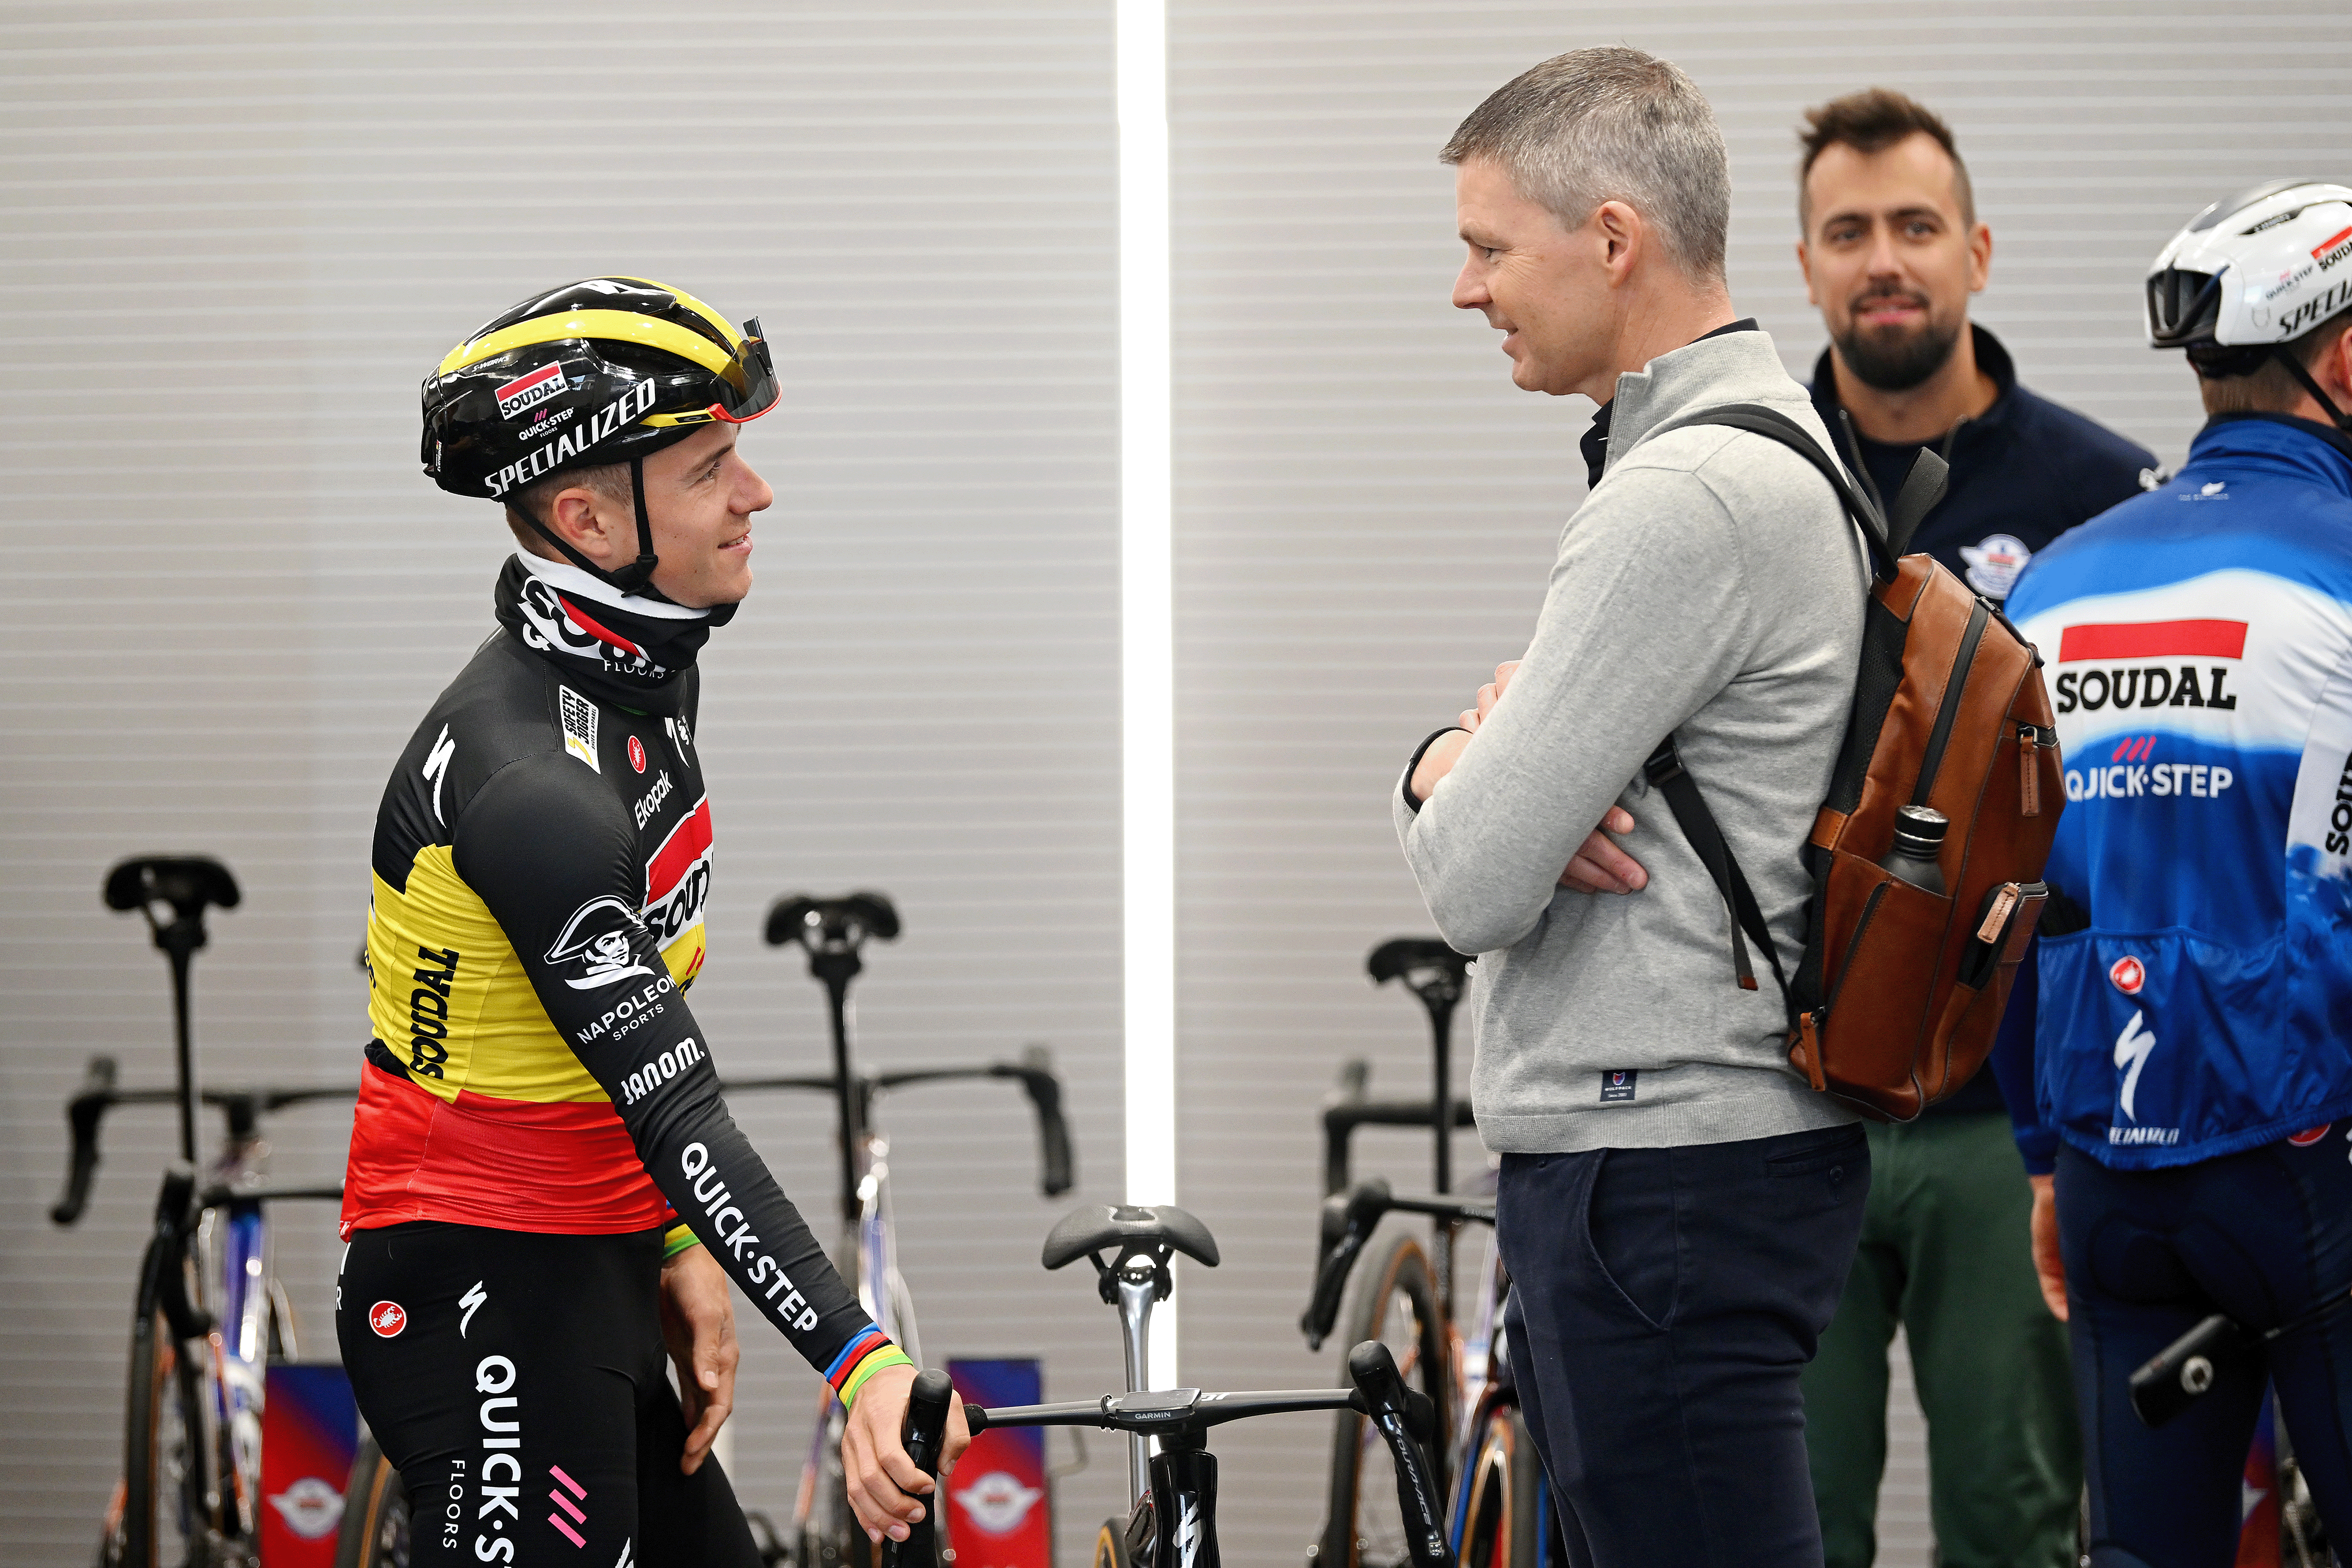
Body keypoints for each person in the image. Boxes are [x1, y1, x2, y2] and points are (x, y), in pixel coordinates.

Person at [336, 276, 966, 1567]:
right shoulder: (534, 787)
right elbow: (673, 1099)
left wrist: (673, 1239)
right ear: (585, 515)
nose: (755, 494)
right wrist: (859, 1364)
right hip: (479, 1284)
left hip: (591, 1259)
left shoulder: (628, 673)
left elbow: (611, 1046)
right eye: (709, 468)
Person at [1397, 47, 1873, 1568]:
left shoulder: (1679, 503)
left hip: (1658, 1175)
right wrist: (1465, 761)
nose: (1465, 291)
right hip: (1689, 1167)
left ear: (1611, 240)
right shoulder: (1763, 451)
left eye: (1488, 248)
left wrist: (1455, 773)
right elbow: (1501, 817)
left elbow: (1472, 880)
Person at [1788, 88, 2152, 1568]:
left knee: (2010, 1522)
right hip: (1783, 1099)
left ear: (1978, 252)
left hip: (2005, 1112)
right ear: (1804, 266)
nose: (1886, 260)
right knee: (1781, 1521)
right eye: (1849, 231)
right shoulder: (1745, 478)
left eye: (1915, 227)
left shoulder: (2099, 497)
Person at [2000, 180, 2352, 1565]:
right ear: (2340, 358)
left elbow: (2014, 897)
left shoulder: (2051, 586)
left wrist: (2037, 1157)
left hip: (2101, 1179)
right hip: (2307, 1163)